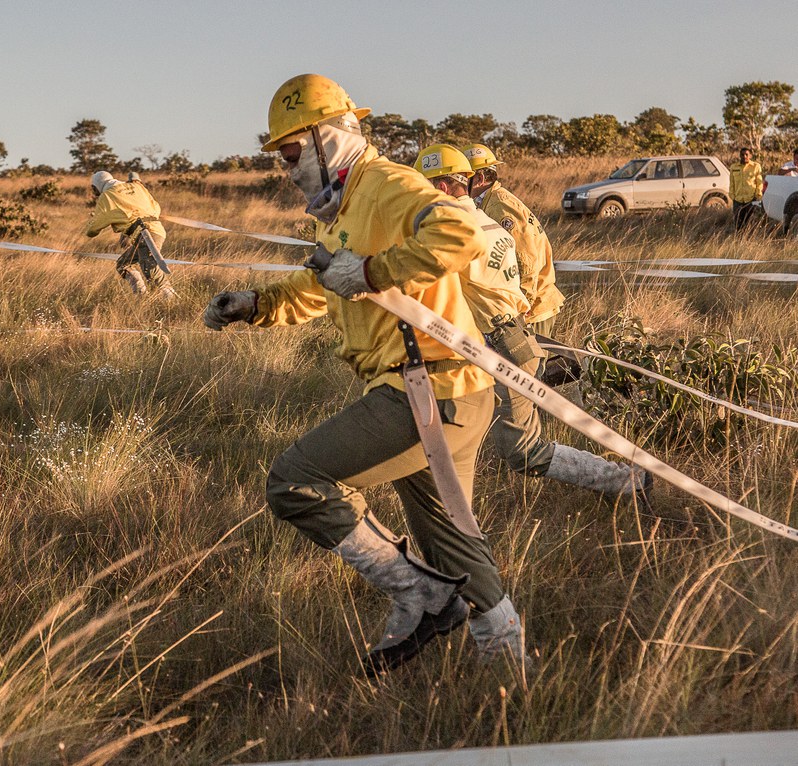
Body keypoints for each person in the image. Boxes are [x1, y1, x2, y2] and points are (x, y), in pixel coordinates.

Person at [203, 74, 527, 671]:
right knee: (450, 542)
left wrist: (377, 271)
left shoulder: (387, 185)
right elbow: (325, 283)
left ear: (327, 137)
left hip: (427, 391)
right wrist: (257, 304)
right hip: (445, 389)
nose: (286, 166)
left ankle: (422, 596)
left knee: (294, 482)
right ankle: (514, 677)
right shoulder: (342, 206)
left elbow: (460, 230)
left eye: (292, 152)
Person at [462, 144, 648, 500]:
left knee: (529, 380)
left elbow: (527, 259)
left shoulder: (500, 207)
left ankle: (548, 436)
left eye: (467, 178)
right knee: (527, 381)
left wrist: (521, 307)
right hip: (524, 307)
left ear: (481, 177)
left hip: (529, 309)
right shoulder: (490, 203)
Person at [85, 171, 174, 296]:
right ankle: (141, 294)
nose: (93, 192)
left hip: (146, 234)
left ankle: (170, 297)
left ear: (96, 186)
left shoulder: (107, 196)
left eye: (93, 188)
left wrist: (88, 230)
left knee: (149, 268)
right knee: (123, 264)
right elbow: (156, 207)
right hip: (156, 229)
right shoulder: (137, 187)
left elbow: (94, 228)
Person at [729, 147, 764, 230]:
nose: (744, 156)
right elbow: (732, 183)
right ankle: (739, 240)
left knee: (750, 224)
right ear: (739, 156)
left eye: (746, 154)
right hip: (738, 200)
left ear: (750, 156)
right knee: (738, 224)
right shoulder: (734, 167)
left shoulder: (756, 166)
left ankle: (749, 241)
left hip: (751, 199)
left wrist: (758, 196)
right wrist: (732, 196)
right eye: (742, 154)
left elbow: (759, 183)